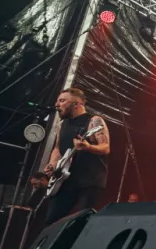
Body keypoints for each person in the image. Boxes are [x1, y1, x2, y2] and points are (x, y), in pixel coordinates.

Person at [43, 88, 110, 224]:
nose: (57, 104)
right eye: (58, 101)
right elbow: (57, 148)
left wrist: (88, 147)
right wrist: (53, 164)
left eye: (62, 101)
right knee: (51, 222)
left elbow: (105, 147)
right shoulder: (62, 125)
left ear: (77, 104)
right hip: (65, 180)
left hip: (89, 181)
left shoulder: (93, 121)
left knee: (80, 222)